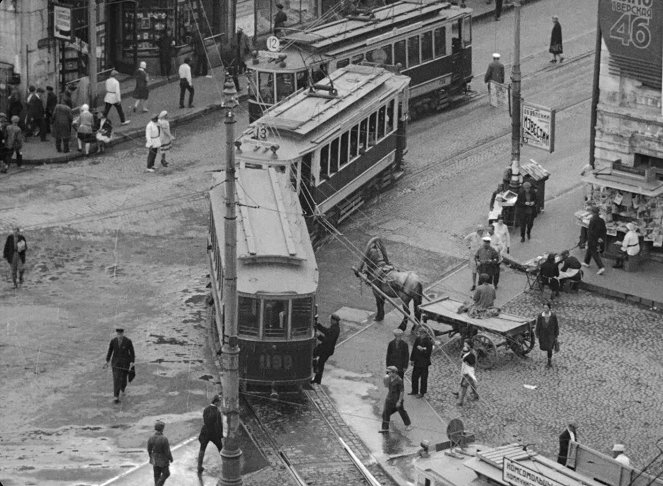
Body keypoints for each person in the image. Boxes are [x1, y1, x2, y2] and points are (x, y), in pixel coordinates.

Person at [103, 328, 135, 403]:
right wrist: (107, 361)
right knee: (116, 379)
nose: (119, 336)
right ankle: (116, 397)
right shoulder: (113, 341)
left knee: (123, 379)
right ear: (116, 334)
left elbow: (132, 352)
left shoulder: (128, 341)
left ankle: (122, 388)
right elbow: (110, 351)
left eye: (120, 334)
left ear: (123, 334)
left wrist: (132, 361)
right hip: (115, 364)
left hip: (125, 364)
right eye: (118, 334)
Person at [379, 365, 412, 433]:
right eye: (387, 372)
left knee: (402, 412)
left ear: (394, 372)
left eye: (389, 372)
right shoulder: (388, 378)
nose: (388, 374)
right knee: (385, 413)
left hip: (397, 399)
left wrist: (399, 401)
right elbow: (386, 386)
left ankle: (408, 425)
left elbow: (402, 391)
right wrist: (385, 380)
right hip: (389, 398)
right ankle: (385, 428)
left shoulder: (399, 380)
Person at [197, 394, 223, 474]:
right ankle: (226, 465)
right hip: (214, 433)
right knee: (221, 448)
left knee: (202, 449)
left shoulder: (206, 409)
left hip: (205, 432)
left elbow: (206, 421)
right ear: (216, 402)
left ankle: (199, 466)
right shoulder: (217, 412)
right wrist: (220, 434)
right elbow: (219, 425)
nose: (220, 403)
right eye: (220, 402)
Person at [311, 313, 341, 384]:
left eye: (331, 320)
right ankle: (317, 379)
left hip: (326, 349)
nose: (330, 321)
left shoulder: (335, 329)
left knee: (316, 357)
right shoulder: (335, 327)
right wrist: (318, 326)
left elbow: (327, 340)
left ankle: (316, 373)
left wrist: (319, 336)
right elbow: (327, 331)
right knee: (320, 363)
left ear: (334, 321)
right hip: (326, 349)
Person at [147, 420, 173, 486]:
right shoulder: (164, 439)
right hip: (162, 459)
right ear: (162, 429)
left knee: (156, 475)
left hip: (154, 457)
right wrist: (170, 458)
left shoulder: (151, 438)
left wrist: (150, 456)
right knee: (166, 473)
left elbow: (149, 449)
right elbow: (167, 451)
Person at [582, 206, 606, 275]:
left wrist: (588, 240)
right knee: (590, 250)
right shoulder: (601, 220)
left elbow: (591, 232)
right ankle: (586, 262)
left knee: (594, 252)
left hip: (592, 239)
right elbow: (604, 229)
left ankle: (601, 267)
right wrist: (601, 237)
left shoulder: (592, 220)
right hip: (599, 238)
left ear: (592, 212)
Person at [409, 327, 432, 398]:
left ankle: (422, 393)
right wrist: (412, 359)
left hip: (424, 364)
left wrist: (422, 350)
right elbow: (414, 349)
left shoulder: (428, 342)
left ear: (425, 334)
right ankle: (414, 390)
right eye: (420, 333)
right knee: (414, 377)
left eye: (422, 333)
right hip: (417, 362)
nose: (421, 335)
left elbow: (428, 353)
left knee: (423, 379)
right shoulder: (418, 339)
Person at [454, 340, 478, 406]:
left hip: (469, 371)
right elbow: (461, 357)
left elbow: (471, 362)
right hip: (465, 370)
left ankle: (460, 401)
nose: (464, 344)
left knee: (464, 385)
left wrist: (464, 358)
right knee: (471, 383)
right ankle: (475, 395)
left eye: (466, 343)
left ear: (469, 345)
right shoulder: (466, 350)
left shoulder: (472, 353)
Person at [535, 302, 559, 368]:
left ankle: (549, 362)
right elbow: (538, 325)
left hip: (551, 335)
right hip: (543, 335)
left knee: (549, 348)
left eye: (546, 308)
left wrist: (556, 335)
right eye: (544, 307)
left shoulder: (553, 316)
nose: (545, 309)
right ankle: (549, 360)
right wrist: (537, 333)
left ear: (549, 308)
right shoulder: (540, 316)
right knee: (544, 347)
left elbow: (556, 326)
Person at [464, 225, 484, 291]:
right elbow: (465, 239)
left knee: (481, 271)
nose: (482, 232)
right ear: (478, 231)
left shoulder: (484, 236)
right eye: (481, 230)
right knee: (474, 271)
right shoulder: (473, 235)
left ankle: (481, 285)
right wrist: (469, 246)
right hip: (473, 256)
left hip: (481, 256)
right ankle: (474, 284)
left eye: (483, 230)